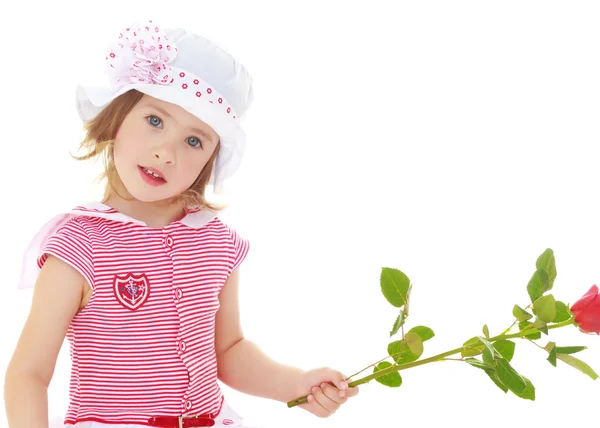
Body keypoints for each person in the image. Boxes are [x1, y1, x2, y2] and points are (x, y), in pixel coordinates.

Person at [4, 19, 359, 428]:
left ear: (210, 159)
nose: (166, 152)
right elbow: (28, 373)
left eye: (194, 141)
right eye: (155, 120)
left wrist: (294, 383)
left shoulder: (216, 241)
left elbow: (228, 349)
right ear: (117, 117)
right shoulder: (79, 245)